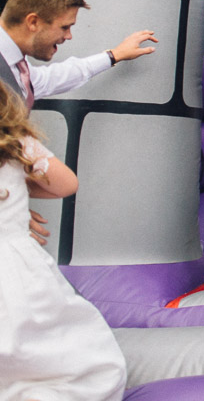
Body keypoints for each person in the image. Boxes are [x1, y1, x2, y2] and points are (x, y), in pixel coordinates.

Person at [0, 0, 157, 245]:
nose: (69, 36)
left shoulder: (16, 66)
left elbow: (49, 79)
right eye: (64, 27)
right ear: (33, 21)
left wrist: (113, 55)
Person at [0, 86, 127, 400]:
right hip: (17, 273)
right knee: (54, 349)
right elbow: (66, 184)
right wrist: (20, 186)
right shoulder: (16, 145)